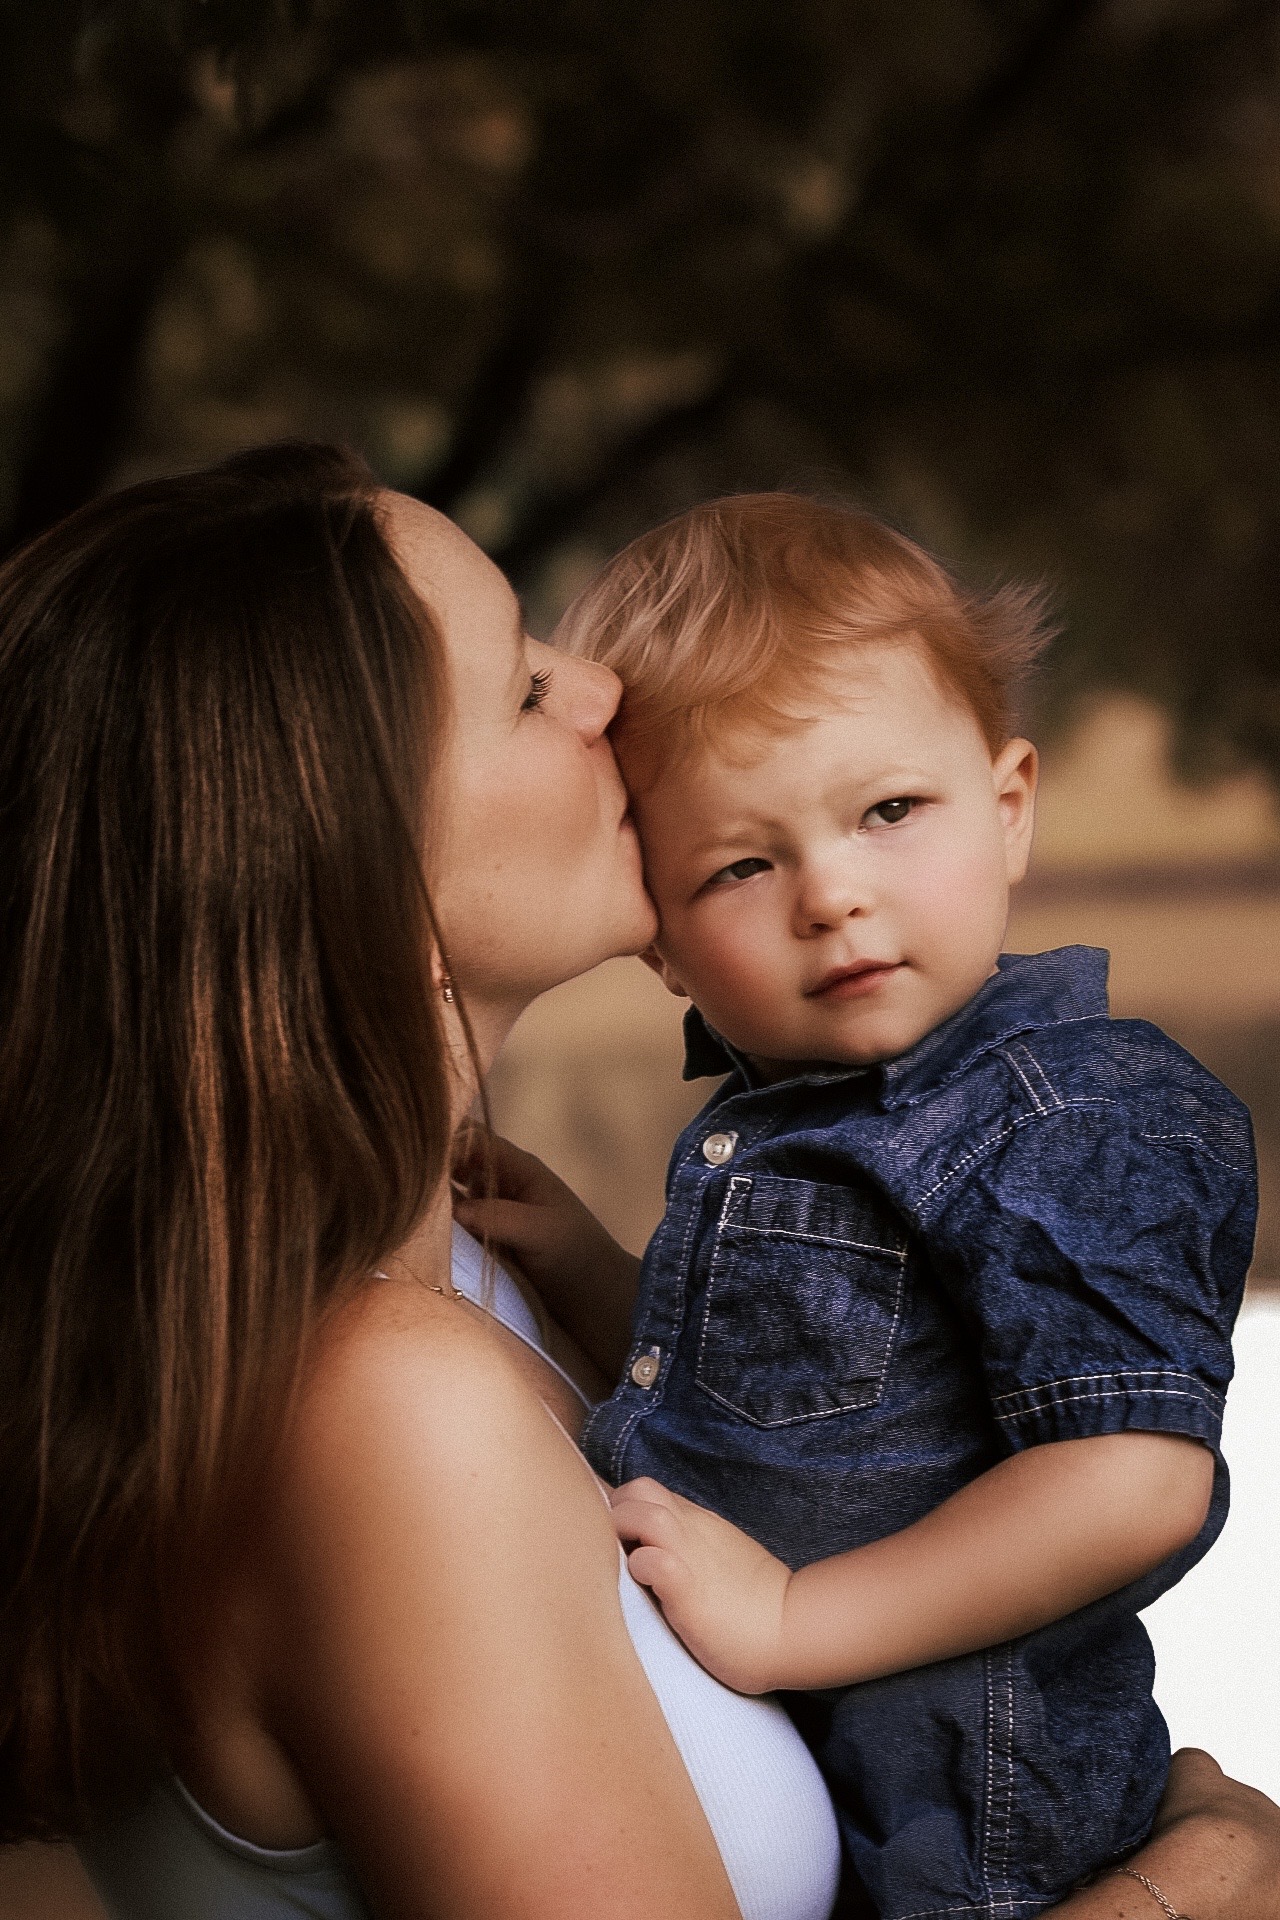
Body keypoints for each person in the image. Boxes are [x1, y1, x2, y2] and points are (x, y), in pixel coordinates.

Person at [0, 450, 1273, 1920]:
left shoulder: (457, 1288)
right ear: (369, 877)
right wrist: (1190, 1890)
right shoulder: (385, 1410)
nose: (601, 688)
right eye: (528, 688)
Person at [462, 493, 1258, 1920]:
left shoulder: (1067, 1115)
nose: (832, 894)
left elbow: (1137, 1480)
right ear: (666, 946)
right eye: (741, 867)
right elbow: (776, 1393)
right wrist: (581, 1258)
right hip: (833, 1786)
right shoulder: (797, 1115)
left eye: (889, 811)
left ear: (1009, 807)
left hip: (981, 1815)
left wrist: (792, 1620)